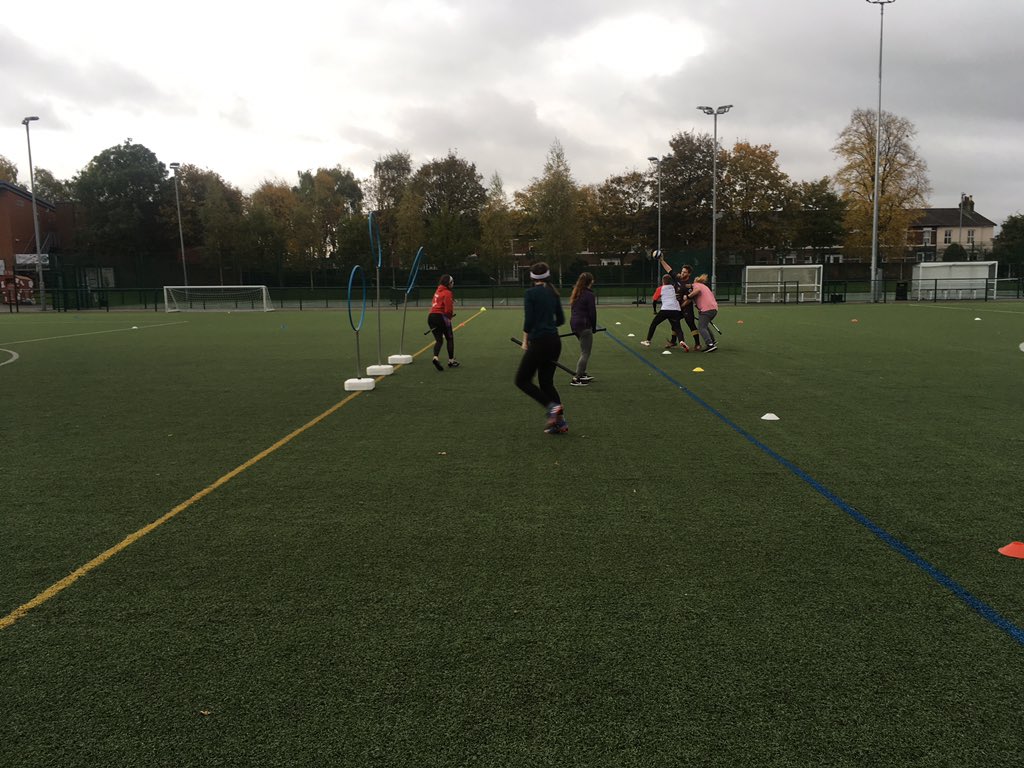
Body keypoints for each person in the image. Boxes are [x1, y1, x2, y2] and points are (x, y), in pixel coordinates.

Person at [515, 262, 568, 434]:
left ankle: (552, 408)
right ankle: (560, 422)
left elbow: (528, 321)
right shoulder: (554, 292)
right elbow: (560, 320)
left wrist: (525, 341)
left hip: (540, 342)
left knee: (522, 380)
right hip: (554, 342)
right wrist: (547, 323)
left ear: (532, 277)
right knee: (546, 382)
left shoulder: (530, 293)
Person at [640, 274, 689, 350]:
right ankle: (682, 341)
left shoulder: (660, 288)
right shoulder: (674, 287)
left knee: (654, 324)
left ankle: (648, 340)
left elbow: (654, 300)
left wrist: (655, 310)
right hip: (675, 310)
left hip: (665, 309)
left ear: (662, 281)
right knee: (677, 328)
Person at [568, 272, 597, 387]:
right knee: (585, 352)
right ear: (591, 282)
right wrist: (593, 327)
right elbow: (592, 313)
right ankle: (577, 378)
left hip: (575, 324)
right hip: (584, 325)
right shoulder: (589, 295)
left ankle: (583, 373)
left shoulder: (577, 292)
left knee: (583, 349)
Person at [427, 275, 459, 370]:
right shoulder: (447, 292)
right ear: (448, 283)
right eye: (452, 282)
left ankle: (435, 357)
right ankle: (451, 361)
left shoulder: (438, 290)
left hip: (431, 317)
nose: (453, 283)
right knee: (449, 338)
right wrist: (449, 318)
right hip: (441, 317)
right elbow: (448, 310)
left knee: (439, 340)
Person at [686, 274, 720, 352]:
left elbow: (696, 291)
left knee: (701, 327)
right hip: (714, 309)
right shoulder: (704, 286)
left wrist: (688, 296)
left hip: (707, 309)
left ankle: (710, 344)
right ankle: (713, 341)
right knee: (705, 326)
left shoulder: (696, 285)